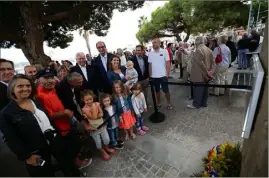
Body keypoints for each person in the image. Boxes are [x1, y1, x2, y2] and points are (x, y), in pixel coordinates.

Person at [0, 74, 80, 176]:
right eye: (20, 86)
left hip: (55, 140)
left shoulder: (35, 101)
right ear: (12, 89)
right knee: (45, 173)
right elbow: (11, 139)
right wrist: (27, 157)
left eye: (28, 86)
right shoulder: (6, 113)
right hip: (36, 151)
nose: (25, 89)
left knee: (68, 164)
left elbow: (47, 118)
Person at [35, 69, 91, 173]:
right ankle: (76, 166)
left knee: (74, 144)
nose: (51, 80)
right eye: (46, 78)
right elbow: (47, 117)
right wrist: (65, 112)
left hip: (66, 124)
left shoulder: (54, 88)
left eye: (52, 77)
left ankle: (77, 163)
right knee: (68, 151)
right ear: (39, 80)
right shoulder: (40, 96)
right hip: (59, 129)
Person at [81, 90, 116, 161]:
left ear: (93, 97)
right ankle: (103, 152)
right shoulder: (84, 109)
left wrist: (95, 115)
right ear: (83, 100)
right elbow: (94, 117)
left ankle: (106, 147)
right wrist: (94, 107)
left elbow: (101, 114)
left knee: (107, 139)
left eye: (90, 99)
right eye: (86, 100)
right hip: (94, 129)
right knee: (98, 143)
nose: (89, 101)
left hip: (102, 126)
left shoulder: (97, 104)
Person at [187, 36, 215, 109]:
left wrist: (207, 72)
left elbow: (200, 63)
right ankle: (204, 103)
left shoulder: (198, 50)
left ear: (197, 41)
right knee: (205, 89)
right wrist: (211, 71)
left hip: (199, 74)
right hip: (206, 74)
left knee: (198, 90)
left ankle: (196, 104)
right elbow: (213, 62)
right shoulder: (209, 50)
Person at [148, 37, 173, 110]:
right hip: (154, 76)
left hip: (163, 75)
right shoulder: (150, 53)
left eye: (155, 42)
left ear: (159, 43)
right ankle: (158, 102)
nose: (153, 44)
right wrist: (150, 76)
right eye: (153, 43)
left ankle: (169, 103)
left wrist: (167, 74)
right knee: (157, 91)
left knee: (166, 91)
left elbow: (167, 62)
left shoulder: (164, 51)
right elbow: (150, 65)